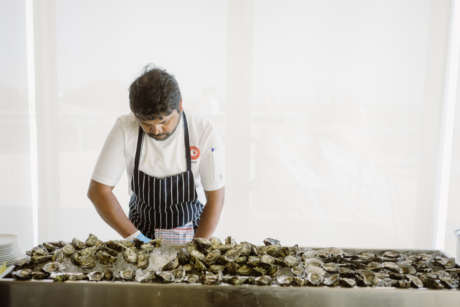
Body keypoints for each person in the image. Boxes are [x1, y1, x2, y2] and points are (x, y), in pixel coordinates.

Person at [87, 64, 225, 244]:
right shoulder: (124, 127)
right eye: (146, 123)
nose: (156, 130)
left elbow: (216, 198)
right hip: (139, 232)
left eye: (164, 121)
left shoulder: (203, 131)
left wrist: (197, 249)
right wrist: (138, 240)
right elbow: (98, 192)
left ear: (180, 105)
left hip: (193, 233)